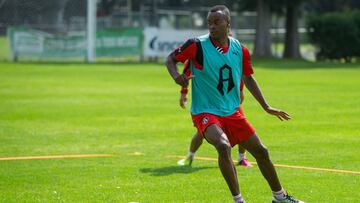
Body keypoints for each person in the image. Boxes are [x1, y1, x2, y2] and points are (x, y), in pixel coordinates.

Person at [165, 5, 304, 203]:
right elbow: (171, 59)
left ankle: (279, 197)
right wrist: (177, 77)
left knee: (262, 152)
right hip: (205, 111)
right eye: (209, 23)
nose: (212, 27)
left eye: (216, 22)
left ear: (228, 23)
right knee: (223, 146)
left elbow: (248, 78)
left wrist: (266, 106)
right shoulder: (196, 45)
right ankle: (238, 200)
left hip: (232, 112)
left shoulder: (240, 49)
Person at [177, 60, 252, 167]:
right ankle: (190, 157)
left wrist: (240, 90)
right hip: (209, 102)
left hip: (229, 99)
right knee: (201, 132)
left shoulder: (231, 50)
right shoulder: (198, 50)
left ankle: (242, 158)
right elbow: (187, 72)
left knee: (242, 128)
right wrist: (184, 92)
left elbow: (239, 71)